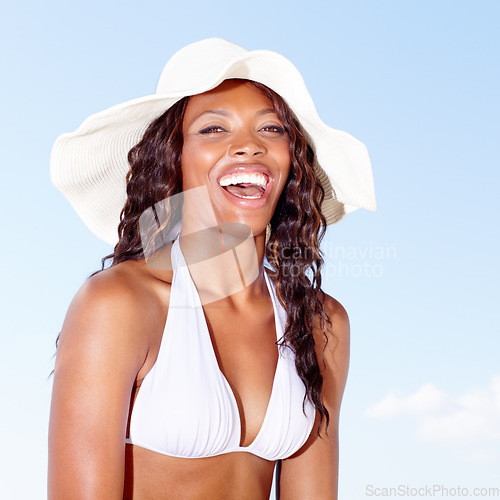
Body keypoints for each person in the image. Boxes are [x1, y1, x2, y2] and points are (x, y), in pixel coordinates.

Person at [48, 38, 376, 499]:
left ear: (292, 162)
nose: (248, 147)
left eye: (272, 129)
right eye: (213, 130)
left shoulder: (321, 323)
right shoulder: (119, 303)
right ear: (173, 157)